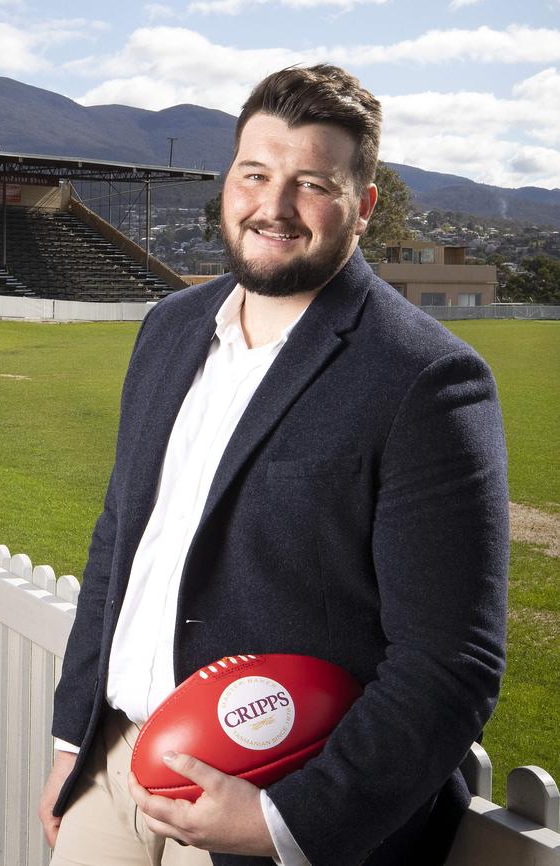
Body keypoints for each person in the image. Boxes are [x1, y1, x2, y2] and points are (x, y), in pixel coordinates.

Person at [39, 64, 509, 866]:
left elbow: (450, 663)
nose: (274, 206)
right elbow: (120, 538)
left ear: (362, 207)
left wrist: (286, 824)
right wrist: (69, 743)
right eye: (255, 173)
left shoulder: (426, 380)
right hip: (117, 763)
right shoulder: (170, 328)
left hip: (266, 804)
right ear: (229, 179)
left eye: (312, 183)